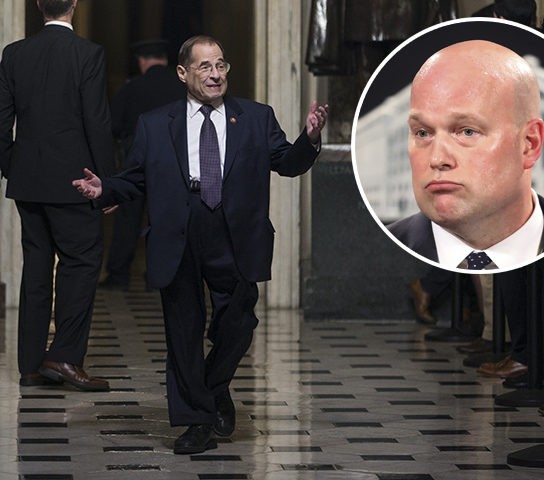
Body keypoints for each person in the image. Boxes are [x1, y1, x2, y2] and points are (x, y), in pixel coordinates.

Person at [71, 35, 328, 454]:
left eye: (221, 65)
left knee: (239, 322)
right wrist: (106, 189)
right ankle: (197, 421)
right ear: (183, 73)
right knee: (183, 330)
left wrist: (310, 139)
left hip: (234, 231)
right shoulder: (155, 123)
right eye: (206, 67)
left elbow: (287, 163)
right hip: (179, 228)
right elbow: (135, 178)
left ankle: (212, 387)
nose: (216, 74)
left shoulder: (256, 117)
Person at [0, 0, 113, 391]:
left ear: (37, 5)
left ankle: (30, 366)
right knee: (80, 264)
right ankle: (63, 356)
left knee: (36, 266)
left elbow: (2, 118)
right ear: (75, 5)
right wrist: (107, 182)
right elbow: (96, 119)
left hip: (28, 179)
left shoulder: (14, 53)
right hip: (75, 179)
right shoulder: (88, 53)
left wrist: (11, 167)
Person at [388, 40, 544, 271]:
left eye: (467, 131)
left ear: (529, 144)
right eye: (423, 133)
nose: (437, 159)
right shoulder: (373, 258)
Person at [99, 39, 186, 291]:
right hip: (174, 165)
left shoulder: (132, 88)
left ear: (141, 61)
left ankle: (118, 275)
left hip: (136, 162)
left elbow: (113, 125)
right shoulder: (181, 88)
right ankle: (161, 276)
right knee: (167, 220)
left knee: (127, 220)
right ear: (167, 61)